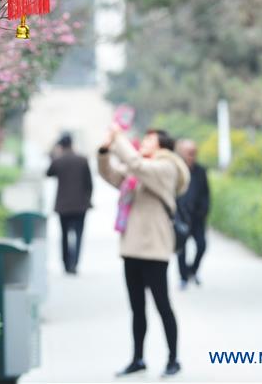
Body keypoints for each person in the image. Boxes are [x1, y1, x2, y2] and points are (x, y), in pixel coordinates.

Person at [98, 125, 190, 379]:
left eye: (149, 140)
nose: (145, 143)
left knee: (163, 306)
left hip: (155, 250)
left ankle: (173, 359)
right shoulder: (138, 171)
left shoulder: (166, 168)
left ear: (162, 145)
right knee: (136, 308)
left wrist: (119, 138)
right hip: (131, 248)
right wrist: (105, 150)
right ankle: (138, 358)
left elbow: (137, 165)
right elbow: (111, 174)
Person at [46, 133, 93, 275]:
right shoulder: (82, 160)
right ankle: (75, 263)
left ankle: (66, 264)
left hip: (63, 205)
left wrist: (53, 153)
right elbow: (89, 184)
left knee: (64, 235)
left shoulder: (59, 160)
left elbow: (48, 173)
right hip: (80, 205)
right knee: (79, 235)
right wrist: (87, 199)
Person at [176, 139, 210, 288]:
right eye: (189, 152)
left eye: (194, 152)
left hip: (197, 217)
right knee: (181, 249)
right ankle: (183, 277)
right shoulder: (176, 169)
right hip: (181, 216)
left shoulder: (200, 170)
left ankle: (193, 270)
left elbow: (206, 193)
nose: (192, 155)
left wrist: (203, 210)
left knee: (201, 245)